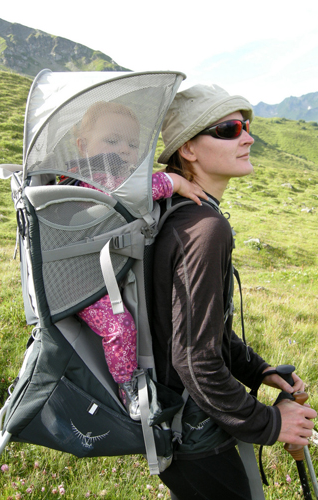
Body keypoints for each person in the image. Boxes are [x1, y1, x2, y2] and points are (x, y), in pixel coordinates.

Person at [151, 84, 317, 499]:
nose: (247, 137)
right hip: (199, 436)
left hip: (180, 429)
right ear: (188, 149)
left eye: (245, 126)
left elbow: (202, 329)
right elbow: (194, 359)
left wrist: (259, 371)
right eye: (228, 129)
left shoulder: (179, 215)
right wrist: (271, 423)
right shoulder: (205, 229)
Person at [64, 101, 207, 420]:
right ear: (83, 146)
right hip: (81, 283)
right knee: (120, 326)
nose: (124, 150)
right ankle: (128, 387)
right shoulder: (94, 177)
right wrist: (174, 182)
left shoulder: (106, 174)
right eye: (112, 141)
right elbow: (130, 194)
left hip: (98, 270)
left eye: (132, 143)